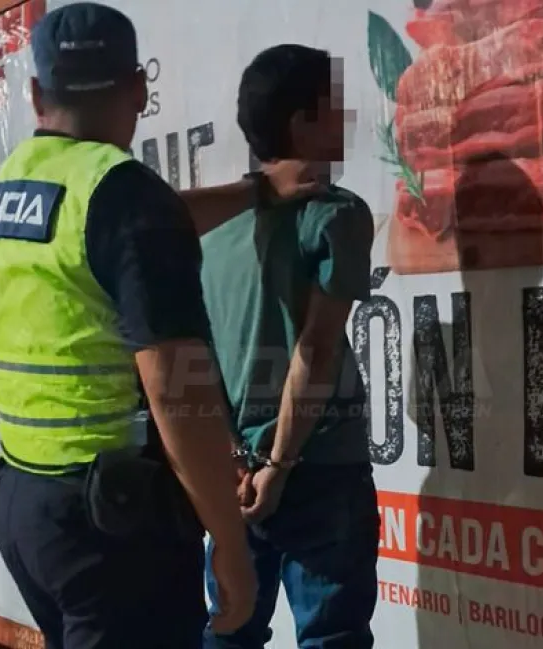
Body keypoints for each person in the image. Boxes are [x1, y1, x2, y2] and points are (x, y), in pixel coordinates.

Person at [0, 5, 317, 649]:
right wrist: (232, 545)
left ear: (38, 93)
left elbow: (127, 234)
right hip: (112, 530)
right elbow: (177, 392)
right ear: (138, 88)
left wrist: (254, 192)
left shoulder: (12, 184)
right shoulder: (125, 198)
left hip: (27, 508)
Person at [199, 44, 380, 649]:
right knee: (332, 637)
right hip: (317, 466)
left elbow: (200, 352)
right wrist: (277, 466)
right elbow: (317, 350)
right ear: (304, 122)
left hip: (235, 473)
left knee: (229, 630)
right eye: (336, 107)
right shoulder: (338, 216)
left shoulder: (217, 222)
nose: (348, 118)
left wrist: (235, 459)